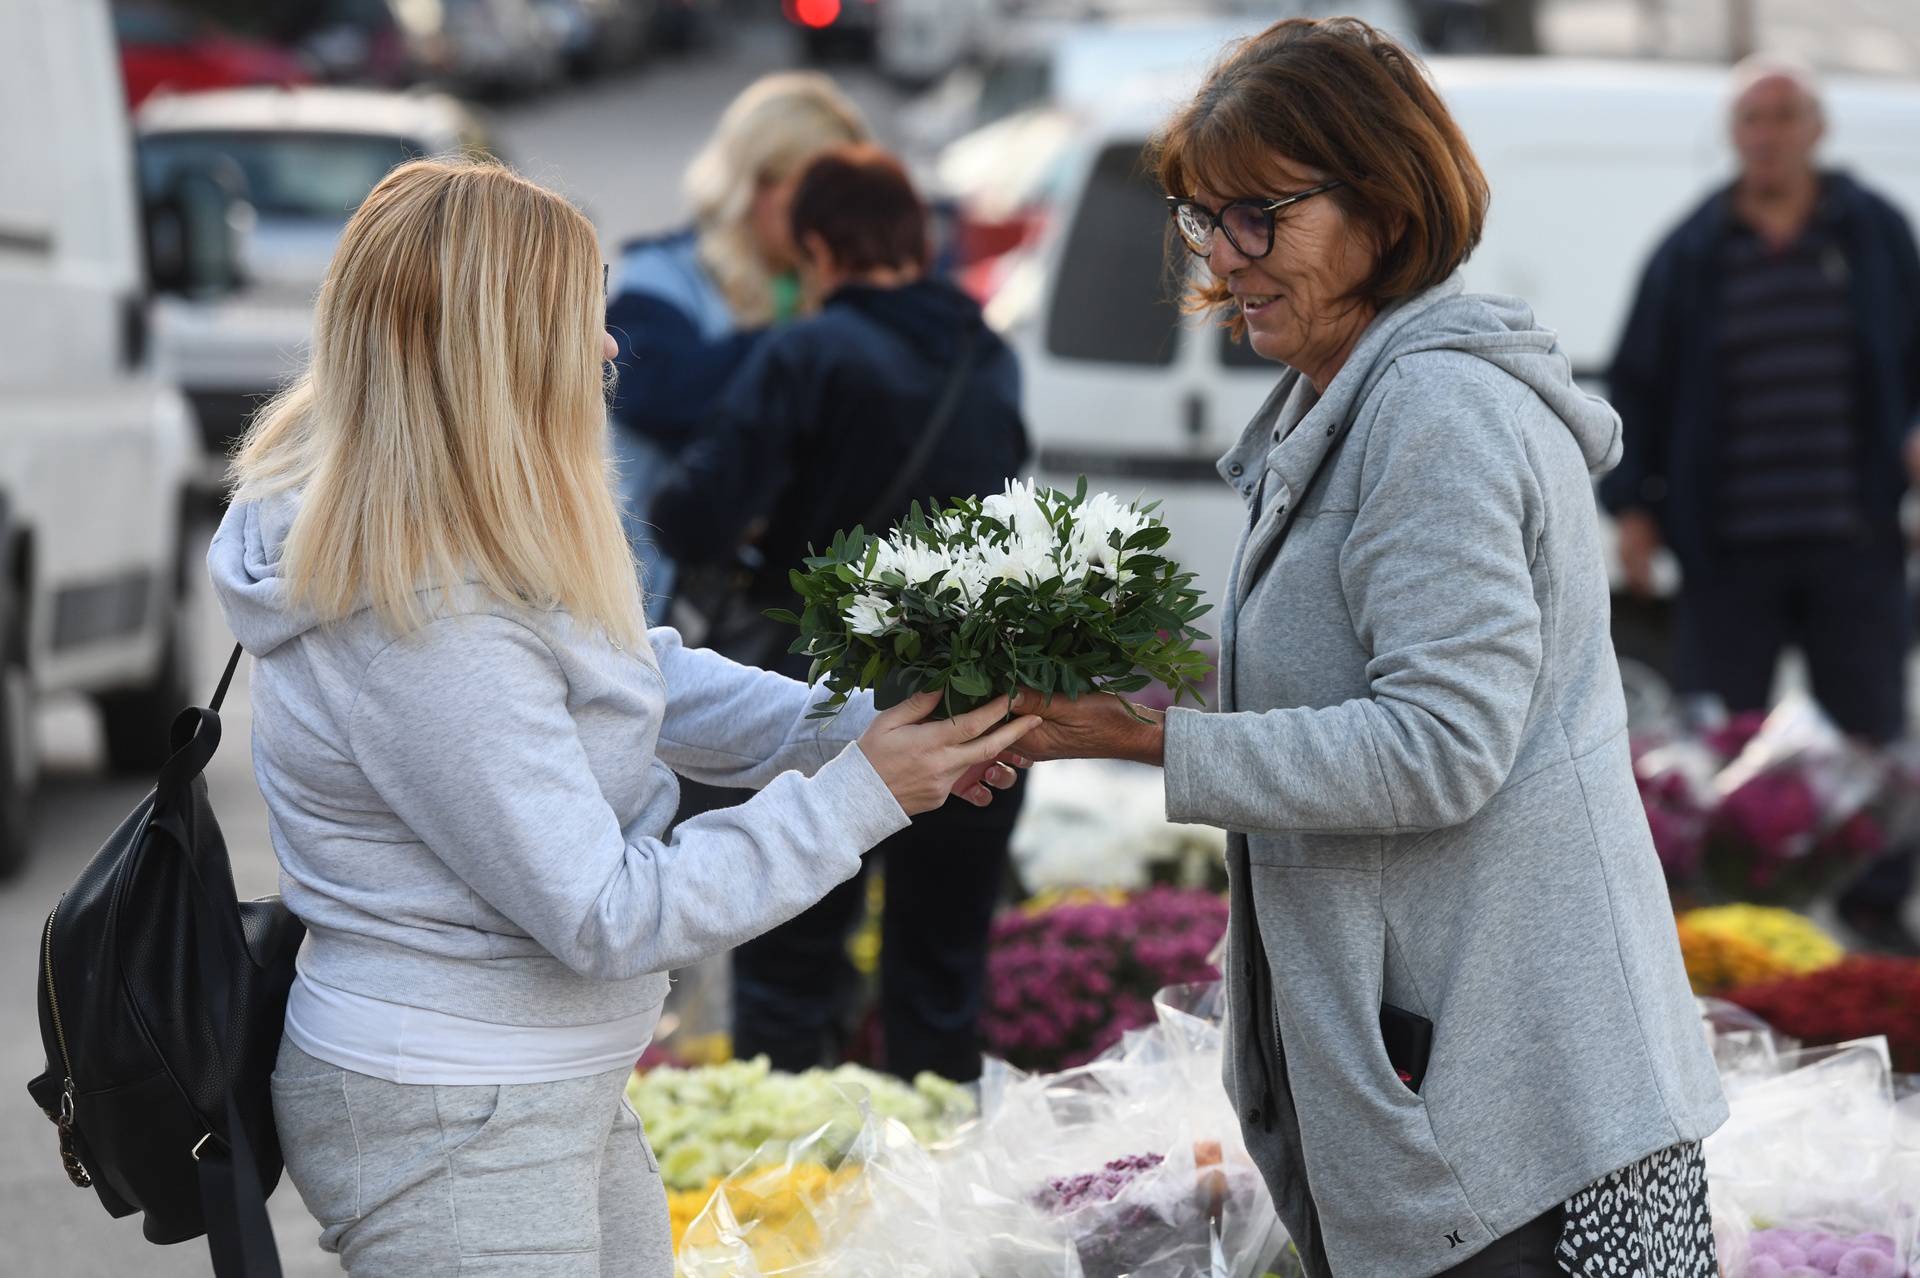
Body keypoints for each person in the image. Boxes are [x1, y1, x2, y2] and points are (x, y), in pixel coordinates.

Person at [210, 158, 1034, 1276]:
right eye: (577, 318)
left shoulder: (452, 547)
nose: (607, 348)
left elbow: (639, 678)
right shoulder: (422, 616)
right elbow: (603, 912)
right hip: (458, 1106)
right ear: (495, 350)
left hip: (528, 1084)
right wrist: (863, 794)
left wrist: (873, 725)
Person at [1007, 19, 1726, 1278]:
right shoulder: (1354, 399)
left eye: (1258, 218)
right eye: (1202, 218)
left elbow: (1442, 748)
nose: (1225, 262)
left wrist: (1156, 741)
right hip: (1475, 1091)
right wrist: (1168, 674)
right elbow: (1353, 672)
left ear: (1385, 212)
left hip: (1516, 1123)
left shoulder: (1434, 413)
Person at [651, 145, 1030, 1082]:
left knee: (791, 976)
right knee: (939, 985)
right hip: (965, 701)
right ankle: (938, 1196)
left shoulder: (807, 351)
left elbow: (694, 513)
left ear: (819, 246)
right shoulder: (991, 359)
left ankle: (800, 1201)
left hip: (819, 695)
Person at [1602, 56, 1920, 954]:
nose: (1767, 135)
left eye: (1784, 116)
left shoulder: (1875, 234)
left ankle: (1874, 906)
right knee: (1717, 744)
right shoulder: (1693, 248)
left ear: (1817, 129)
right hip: (1727, 551)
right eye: (1750, 119)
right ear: (1732, 137)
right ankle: (1714, 913)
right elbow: (1639, 382)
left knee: (1870, 738)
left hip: (1854, 541)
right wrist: (1634, 508)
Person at [605, 72, 869, 624]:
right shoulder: (666, 273)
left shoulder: (826, 288)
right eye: (811, 195)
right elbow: (649, 391)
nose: (828, 218)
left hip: (774, 605)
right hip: (653, 601)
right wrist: (803, 346)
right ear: (756, 182)